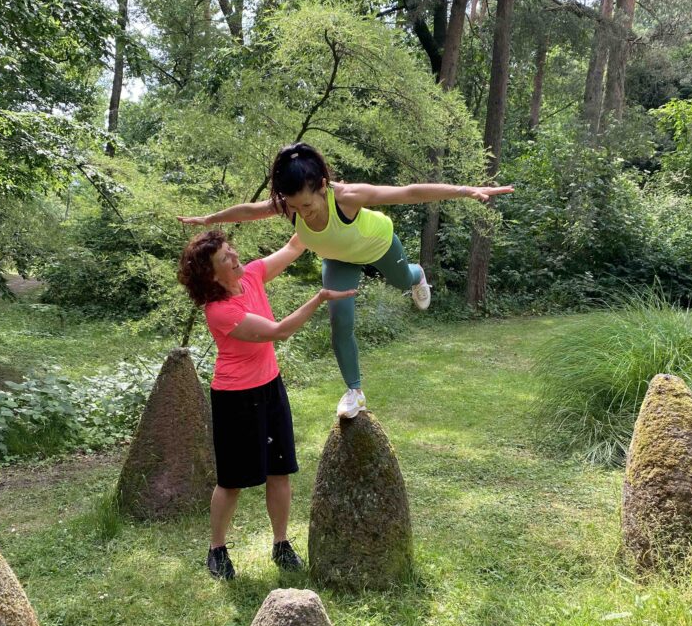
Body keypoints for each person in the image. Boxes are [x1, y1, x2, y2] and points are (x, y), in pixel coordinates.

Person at [179, 142, 514, 419]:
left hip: (378, 245)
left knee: (402, 281)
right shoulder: (291, 205)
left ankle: (417, 274)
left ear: (323, 187)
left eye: (307, 204)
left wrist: (466, 190)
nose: (302, 213)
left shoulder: (348, 196)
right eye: (294, 207)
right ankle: (355, 391)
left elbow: (409, 192)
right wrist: (210, 218)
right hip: (339, 259)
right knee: (340, 322)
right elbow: (250, 211)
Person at [177, 229, 356, 580]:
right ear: (211, 275)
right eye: (224, 257)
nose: (233, 256)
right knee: (232, 481)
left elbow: (293, 246)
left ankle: (280, 543)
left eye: (231, 249)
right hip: (235, 398)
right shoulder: (220, 311)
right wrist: (319, 298)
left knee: (280, 470)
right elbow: (279, 331)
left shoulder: (254, 274)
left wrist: (319, 214)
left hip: (270, 388)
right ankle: (217, 549)